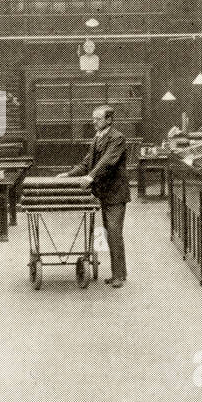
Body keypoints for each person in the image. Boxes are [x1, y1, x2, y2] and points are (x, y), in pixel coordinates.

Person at [61, 104, 128, 287]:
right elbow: (87, 163)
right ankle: (120, 273)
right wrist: (69, 174)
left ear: (109, 120)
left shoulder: (118, 138)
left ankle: (118, 276)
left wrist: (90, 177)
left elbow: (106, 163)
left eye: (97, 119)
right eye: (93, 119)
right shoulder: (97, 138)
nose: (94, 122)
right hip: (105, 194)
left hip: (116, 194)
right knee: (110, 233)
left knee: (114, 233)